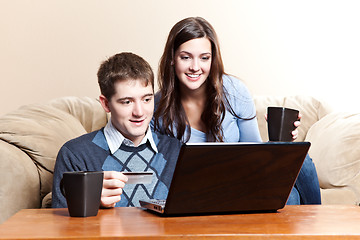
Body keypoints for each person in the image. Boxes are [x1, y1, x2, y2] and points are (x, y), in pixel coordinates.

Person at [153, 17, 321, 205]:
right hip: (202, 193)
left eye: (204, 58)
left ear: (212, 60)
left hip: (243, 184)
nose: (195, 67)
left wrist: (281, 146)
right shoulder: (156, 107)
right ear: (172, 59)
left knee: (298, 166)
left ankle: (318, 225)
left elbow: (254, 153)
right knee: (290, 198)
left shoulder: (234, 90)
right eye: (185, 57)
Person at [52, 52, 182, 208]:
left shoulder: (176, 151)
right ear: (106, 104)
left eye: (147, 99)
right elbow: (61, 228)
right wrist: (89, 201)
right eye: (127, 102)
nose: (139, 112)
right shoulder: (75, 155)